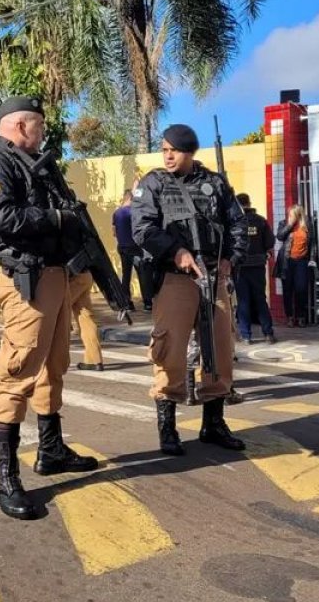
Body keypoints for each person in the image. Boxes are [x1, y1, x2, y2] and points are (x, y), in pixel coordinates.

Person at [0, 96, 99, 520]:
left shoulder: (34, 163)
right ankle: (4, 475)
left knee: (53, 365)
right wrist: (57, 219)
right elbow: (2, 217)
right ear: (20, 125)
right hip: (28, 281)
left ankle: (51, 449)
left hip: (56, 277)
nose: (43, 132)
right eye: (39, 125)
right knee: (17, 372)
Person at [132, 124, 249, 456]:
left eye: (175, 150)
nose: (168, 155)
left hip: (213, 277)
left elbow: (237, 223)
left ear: (190, 152)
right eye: (164, 149)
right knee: (169, 349)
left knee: (220, 349)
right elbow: (143, 229)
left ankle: (213, 423)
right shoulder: (154, 184)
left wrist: (231, 258)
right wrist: (175, 251)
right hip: (175, 279)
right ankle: (167, 428)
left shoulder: (214, 183)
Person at [235, 192, 276, 345]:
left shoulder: (235, 221)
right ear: (249, 202)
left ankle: (246, 335)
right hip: (258, 266)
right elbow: (270, 243)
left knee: (243, 301)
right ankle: (268, 333)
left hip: (240, 266)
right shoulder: (261, 221)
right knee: (260, 299)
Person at [275, 205, 316, 328]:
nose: (290, 216)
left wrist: (312, 259)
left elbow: (312, 243)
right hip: (287, 261)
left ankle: (301, 316)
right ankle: (290, 317)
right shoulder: (284, 223)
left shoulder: (307, 224)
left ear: (299, 215)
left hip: (302, 261)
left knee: (301, 289)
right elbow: (280, 236)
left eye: (293, 215)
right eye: (290, 214)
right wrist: (290, 225)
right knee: (287, 290)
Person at [113, 190, 151, 311]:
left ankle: (127, 303)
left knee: (126, 275)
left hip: (122, 247)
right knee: (142, 274)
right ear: (130, 198)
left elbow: (114, 232)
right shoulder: (133, 212)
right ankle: (147, 303)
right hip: (134, 248)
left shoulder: (116, 213)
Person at [69, 270, 104, 371]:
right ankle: (94, 359)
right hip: (85, 274)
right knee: (86, 317)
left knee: (57, 312)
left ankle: (55, 362)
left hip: (70, 276)